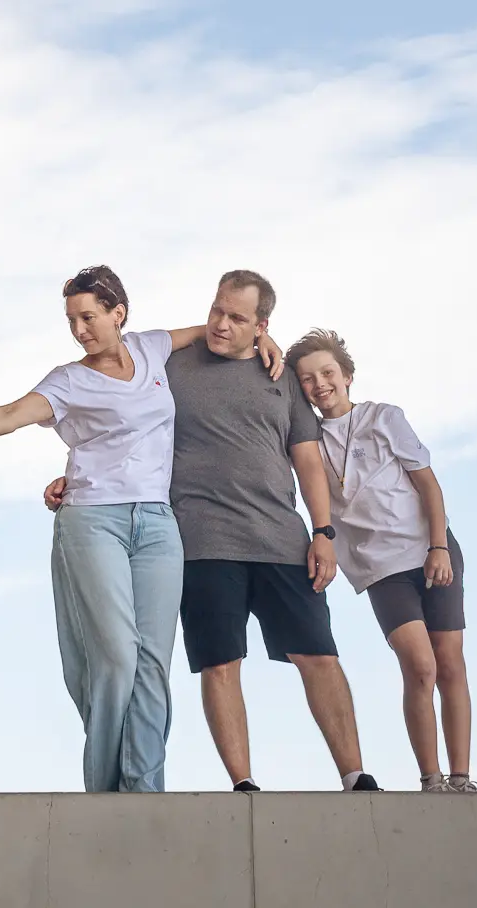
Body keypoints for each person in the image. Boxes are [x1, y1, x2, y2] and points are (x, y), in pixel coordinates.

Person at [0, 265, 281, 793]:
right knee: (118, 656)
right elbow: (11, 413)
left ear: (117, 313)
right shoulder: (69, 380)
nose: (80, 329)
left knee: (153, 664)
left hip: (157, 524)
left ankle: (144, 793)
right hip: (93, 518)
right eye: (72, 320)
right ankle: (103, 791)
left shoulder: (151, 349)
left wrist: (267, 339)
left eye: (89, 316)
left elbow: (212, 331)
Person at [48, 270, 377, 792]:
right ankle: (243, 784)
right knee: (220, 664)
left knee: (318, 653)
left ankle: (356, 776)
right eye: (217, 311)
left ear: (261, 325)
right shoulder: (172, 364)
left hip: (279, 537)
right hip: (199, 540)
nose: (221, 324)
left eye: (238, 318)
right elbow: (124, 419)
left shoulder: (283, 375)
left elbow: (307, 459)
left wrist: (323, 532)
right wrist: (77, 474)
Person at [285, 329, 477, 793]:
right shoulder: (303, 439)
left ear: (347, 376)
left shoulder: (383, 418)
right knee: (420, 665)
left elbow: (428, 486)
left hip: (430, 549)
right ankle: (431, 779)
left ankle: (462, 777)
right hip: (380, 567)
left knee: (450, 663)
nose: (320, 384)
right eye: (308, 379)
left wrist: (438, 547)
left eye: (328, 373)